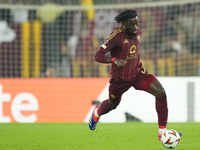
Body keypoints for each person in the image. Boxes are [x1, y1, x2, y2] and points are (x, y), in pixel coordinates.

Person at [88, 9, 182, 140]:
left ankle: (162, 133)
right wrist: (114, 60)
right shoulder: (116, 36)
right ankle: (97, 113)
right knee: (112, 104)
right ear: (123, 24)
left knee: (160, 92)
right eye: (131, 24)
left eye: (136, 23)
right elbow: (97, 56)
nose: (135, 27)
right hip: (120, 79)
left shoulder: (137, 31)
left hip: (138, 74)